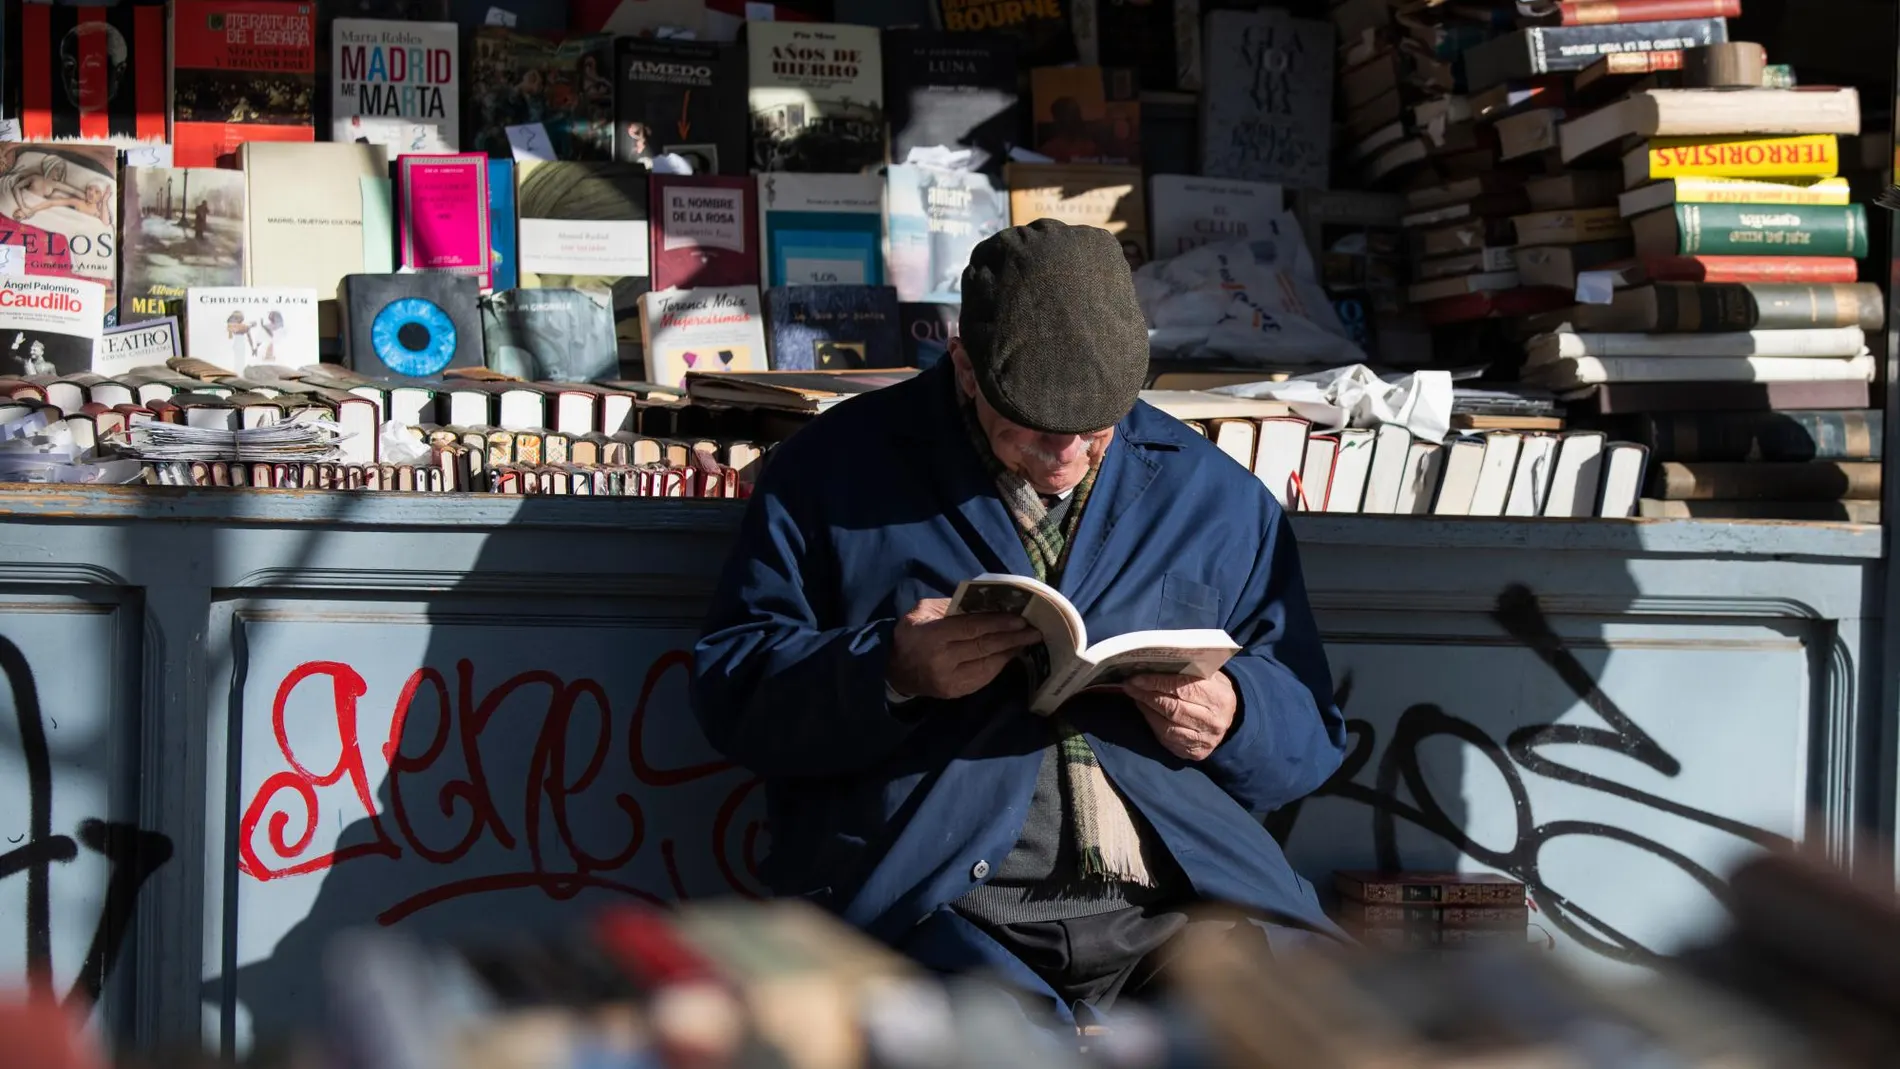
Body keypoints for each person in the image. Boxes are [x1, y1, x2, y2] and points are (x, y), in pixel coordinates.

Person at [692, 220, 1348, 1029]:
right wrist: (891, 671)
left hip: (1180, 903)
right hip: (934, 903)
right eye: (1036, 427)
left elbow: (1312, 736)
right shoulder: (831, 473)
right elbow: (734, 690)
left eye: (1097, 428)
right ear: (964, 363)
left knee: (1309, 1026)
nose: (1066, 453)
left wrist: (1236, 716)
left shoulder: (1215, 496)